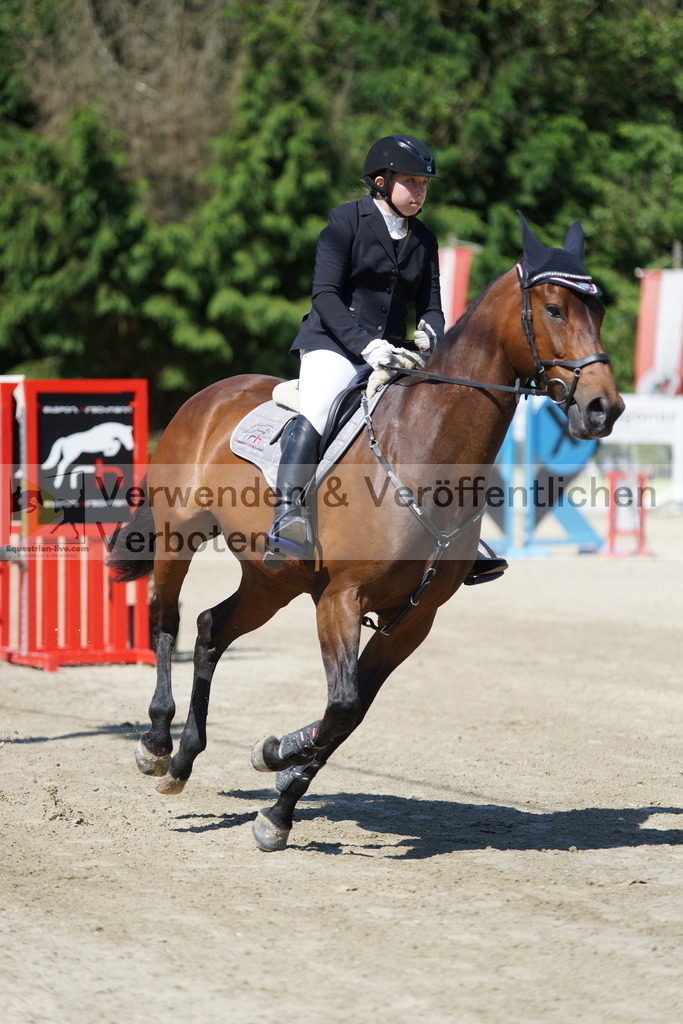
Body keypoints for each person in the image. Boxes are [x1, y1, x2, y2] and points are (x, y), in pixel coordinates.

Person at [264, 134, 508, 585]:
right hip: (334, 343)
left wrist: (431, 331)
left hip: (394, 352)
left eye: (424, 185)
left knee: (439, 418)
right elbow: (325, 295)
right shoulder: (345, 222)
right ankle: (287, 517)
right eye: (411, 182)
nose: (419, 192)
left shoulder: (424, 239)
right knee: (319, 409)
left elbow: (431, 304)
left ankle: (458, 534)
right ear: (381, 182)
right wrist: (365, 344)